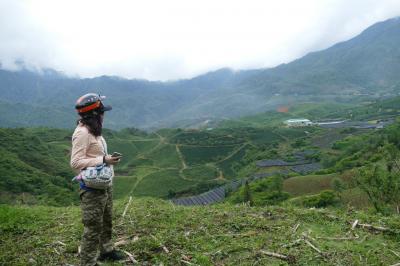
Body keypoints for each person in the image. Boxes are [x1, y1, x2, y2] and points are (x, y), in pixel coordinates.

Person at [70, 93, 125, 266]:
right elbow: (76, 162)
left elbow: (95, 154)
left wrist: (106, 158)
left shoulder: (94, 131)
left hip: (104, 183)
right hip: (92, 189)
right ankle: (88, 262)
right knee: (93, 227)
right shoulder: (82, 133)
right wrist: (103, 160)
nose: (104, 115)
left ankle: (107, 250)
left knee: (107, 219)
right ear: (94, 115)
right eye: (101, 112)